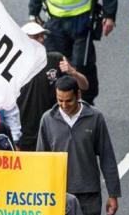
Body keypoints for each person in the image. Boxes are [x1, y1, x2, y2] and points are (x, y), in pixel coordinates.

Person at [37, 76, 120, 215]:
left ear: (78, 95)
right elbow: (42, 160)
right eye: (60, 100)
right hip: (59, 195)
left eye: (68, 101)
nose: (64, 105)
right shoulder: (47, 119)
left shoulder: (95, 117)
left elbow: (107, 156)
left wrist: (113, 194)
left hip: (89, 195)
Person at [17, 21, 89, 152]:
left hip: (56, 131)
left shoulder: (56, 59)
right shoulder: (15, 69)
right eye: (36, 36)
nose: (42, 39)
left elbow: (84, 85)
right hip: (27, 136)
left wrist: (73, 72)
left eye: (42, 36)